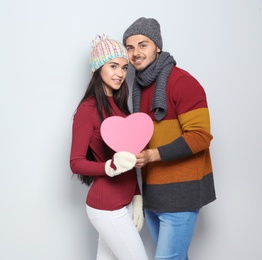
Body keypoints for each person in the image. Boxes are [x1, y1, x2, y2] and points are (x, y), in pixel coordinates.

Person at [122, 17, 216, 259]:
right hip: (154, 192)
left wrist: (153, 154)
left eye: (143, 45)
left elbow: (200, 136)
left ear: (157, 47)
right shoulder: (140, 88)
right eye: (130, 47)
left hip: (181, 193)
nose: (135, 53)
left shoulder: (182, 82)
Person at [69, 34, 148, 260]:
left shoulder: (122, 109)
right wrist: (109, 166)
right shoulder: (88, 109)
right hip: (106, 208)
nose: (120, 74)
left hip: (122, 204)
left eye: (124, 68)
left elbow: (130, 162)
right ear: (97, 69)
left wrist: (136, 196)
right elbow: (75, 163)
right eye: (113, 66)